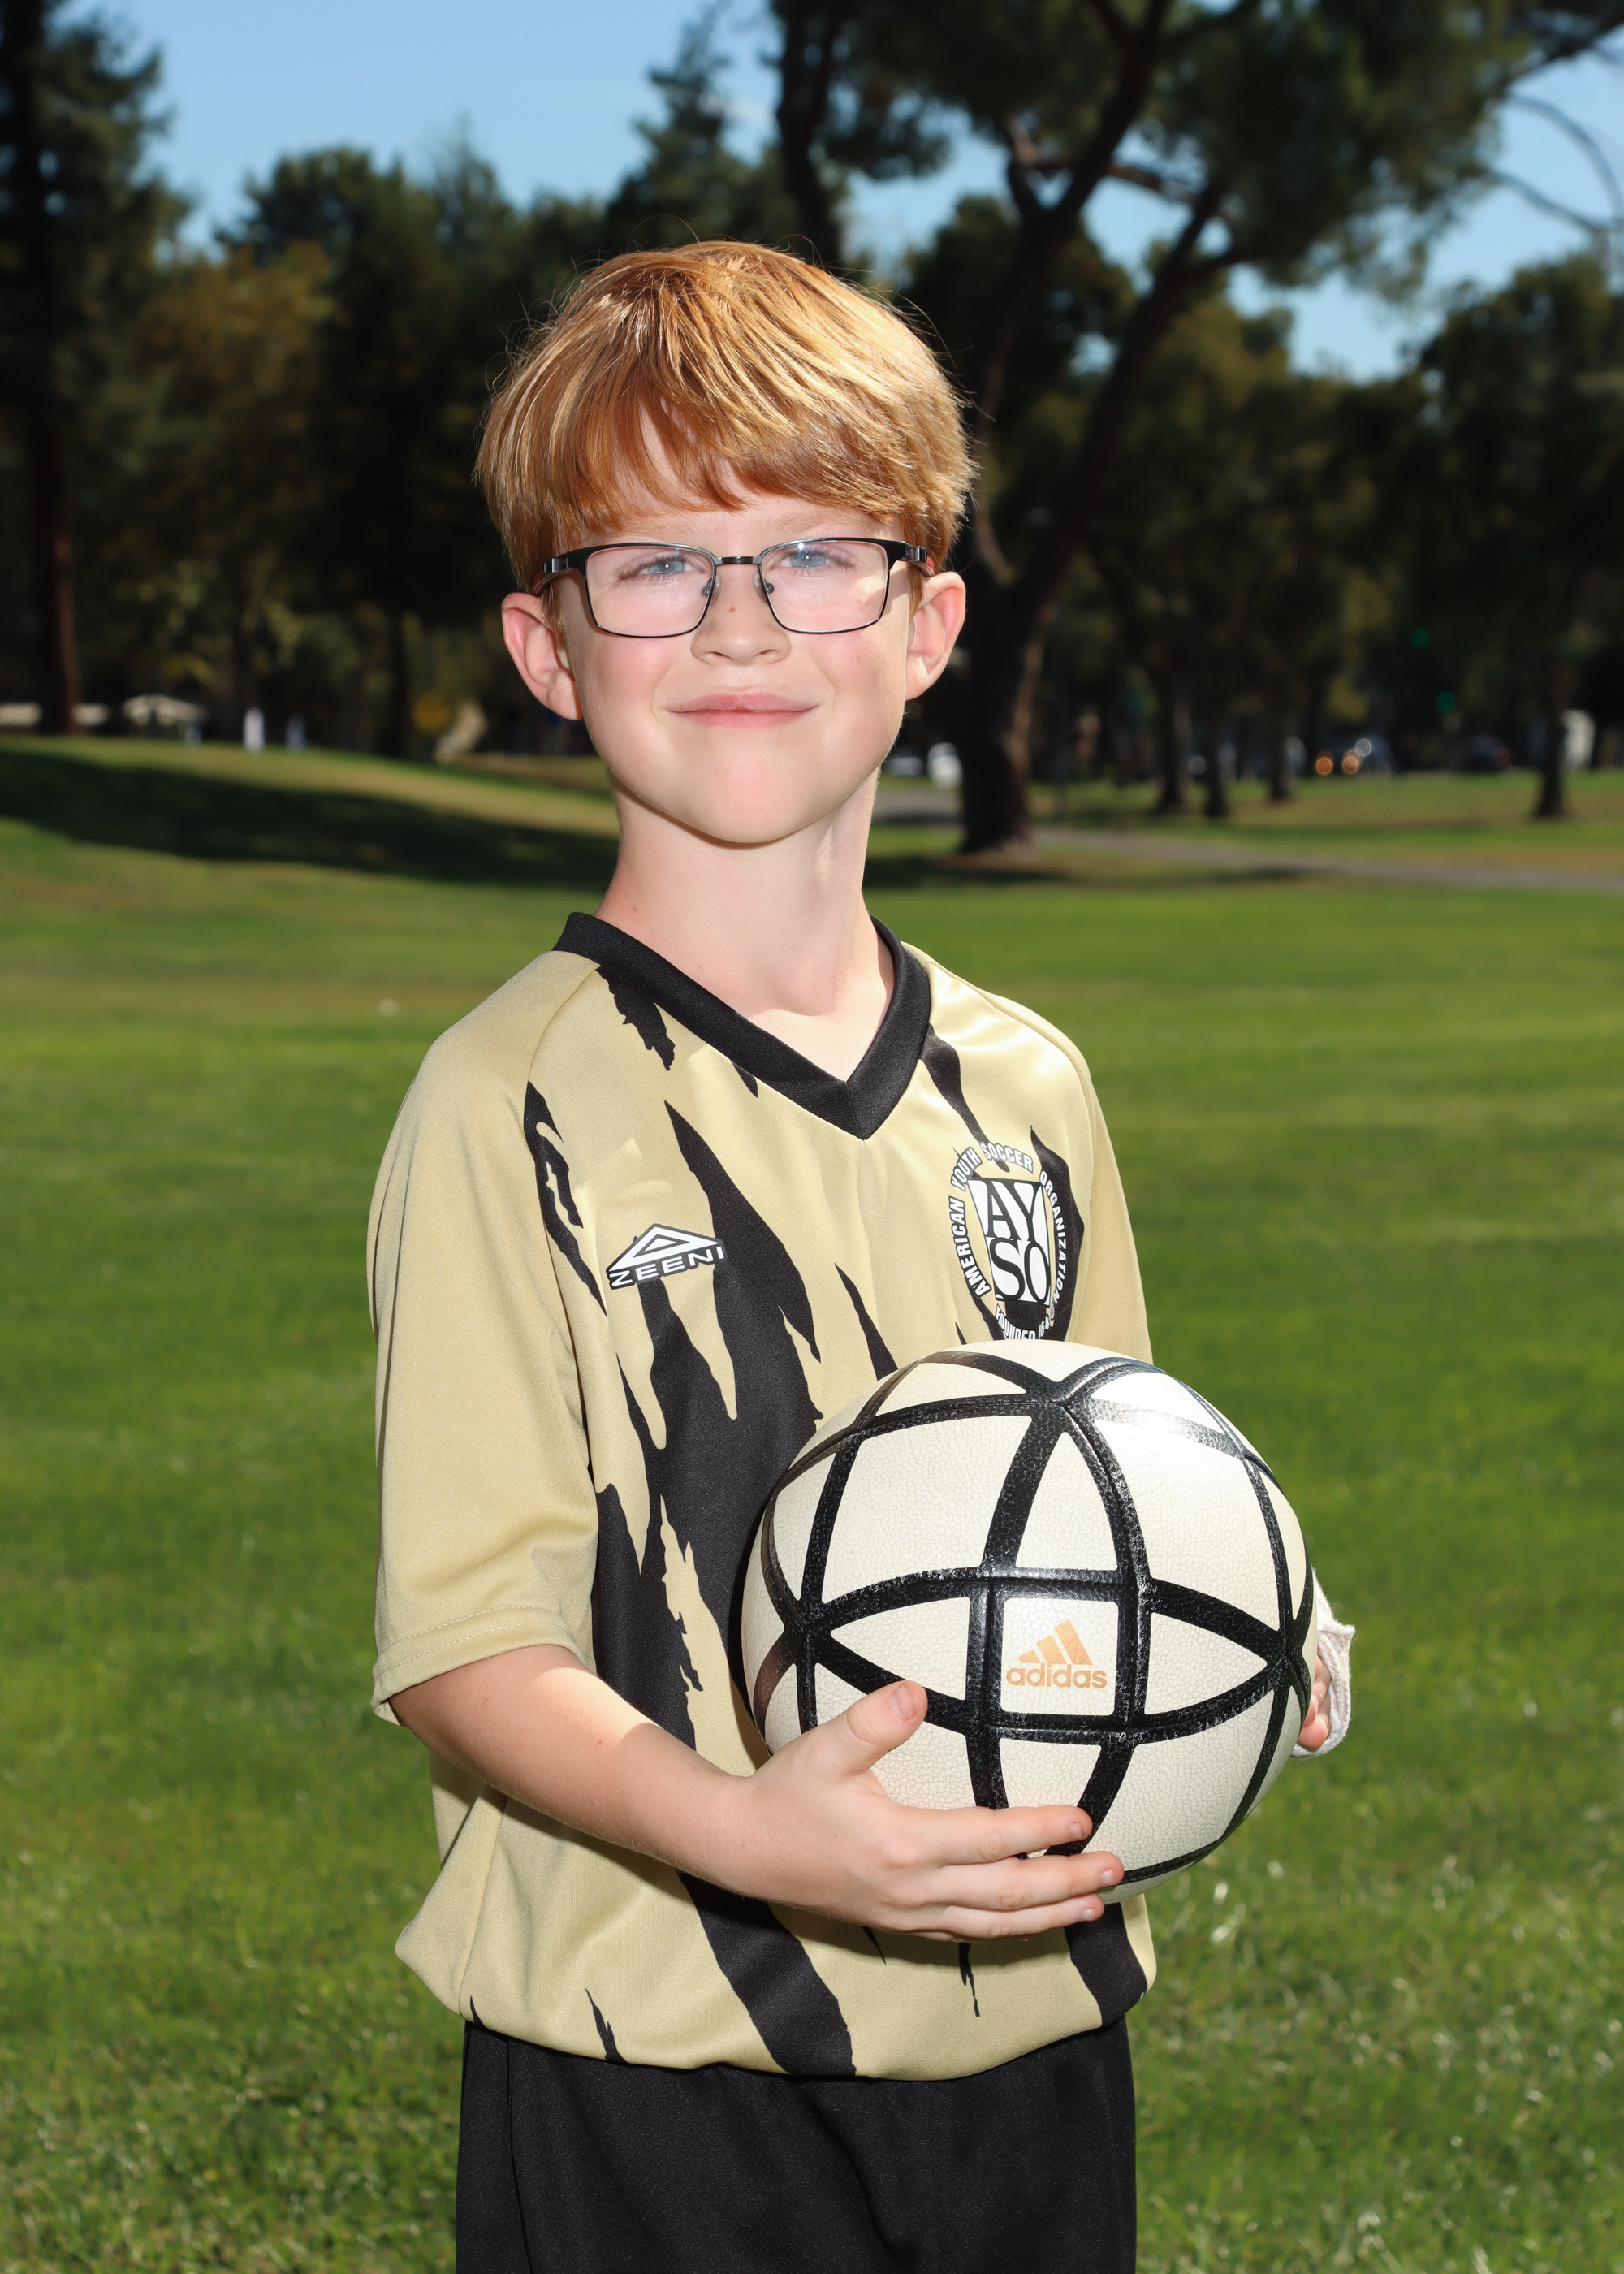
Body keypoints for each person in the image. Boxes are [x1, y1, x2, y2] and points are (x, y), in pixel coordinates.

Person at [369, 242, 1354, 2274]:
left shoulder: (1026, 1081)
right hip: (658, 2062)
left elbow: (1120, 1464)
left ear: (928, 625)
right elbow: (467, 1653)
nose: (739, 620)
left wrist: (1258, 1610)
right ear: (548, 645)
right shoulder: (508, 1098)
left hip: (1030, 2029)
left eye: (817, 556)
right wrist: (748, 1827)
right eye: (654, 563)